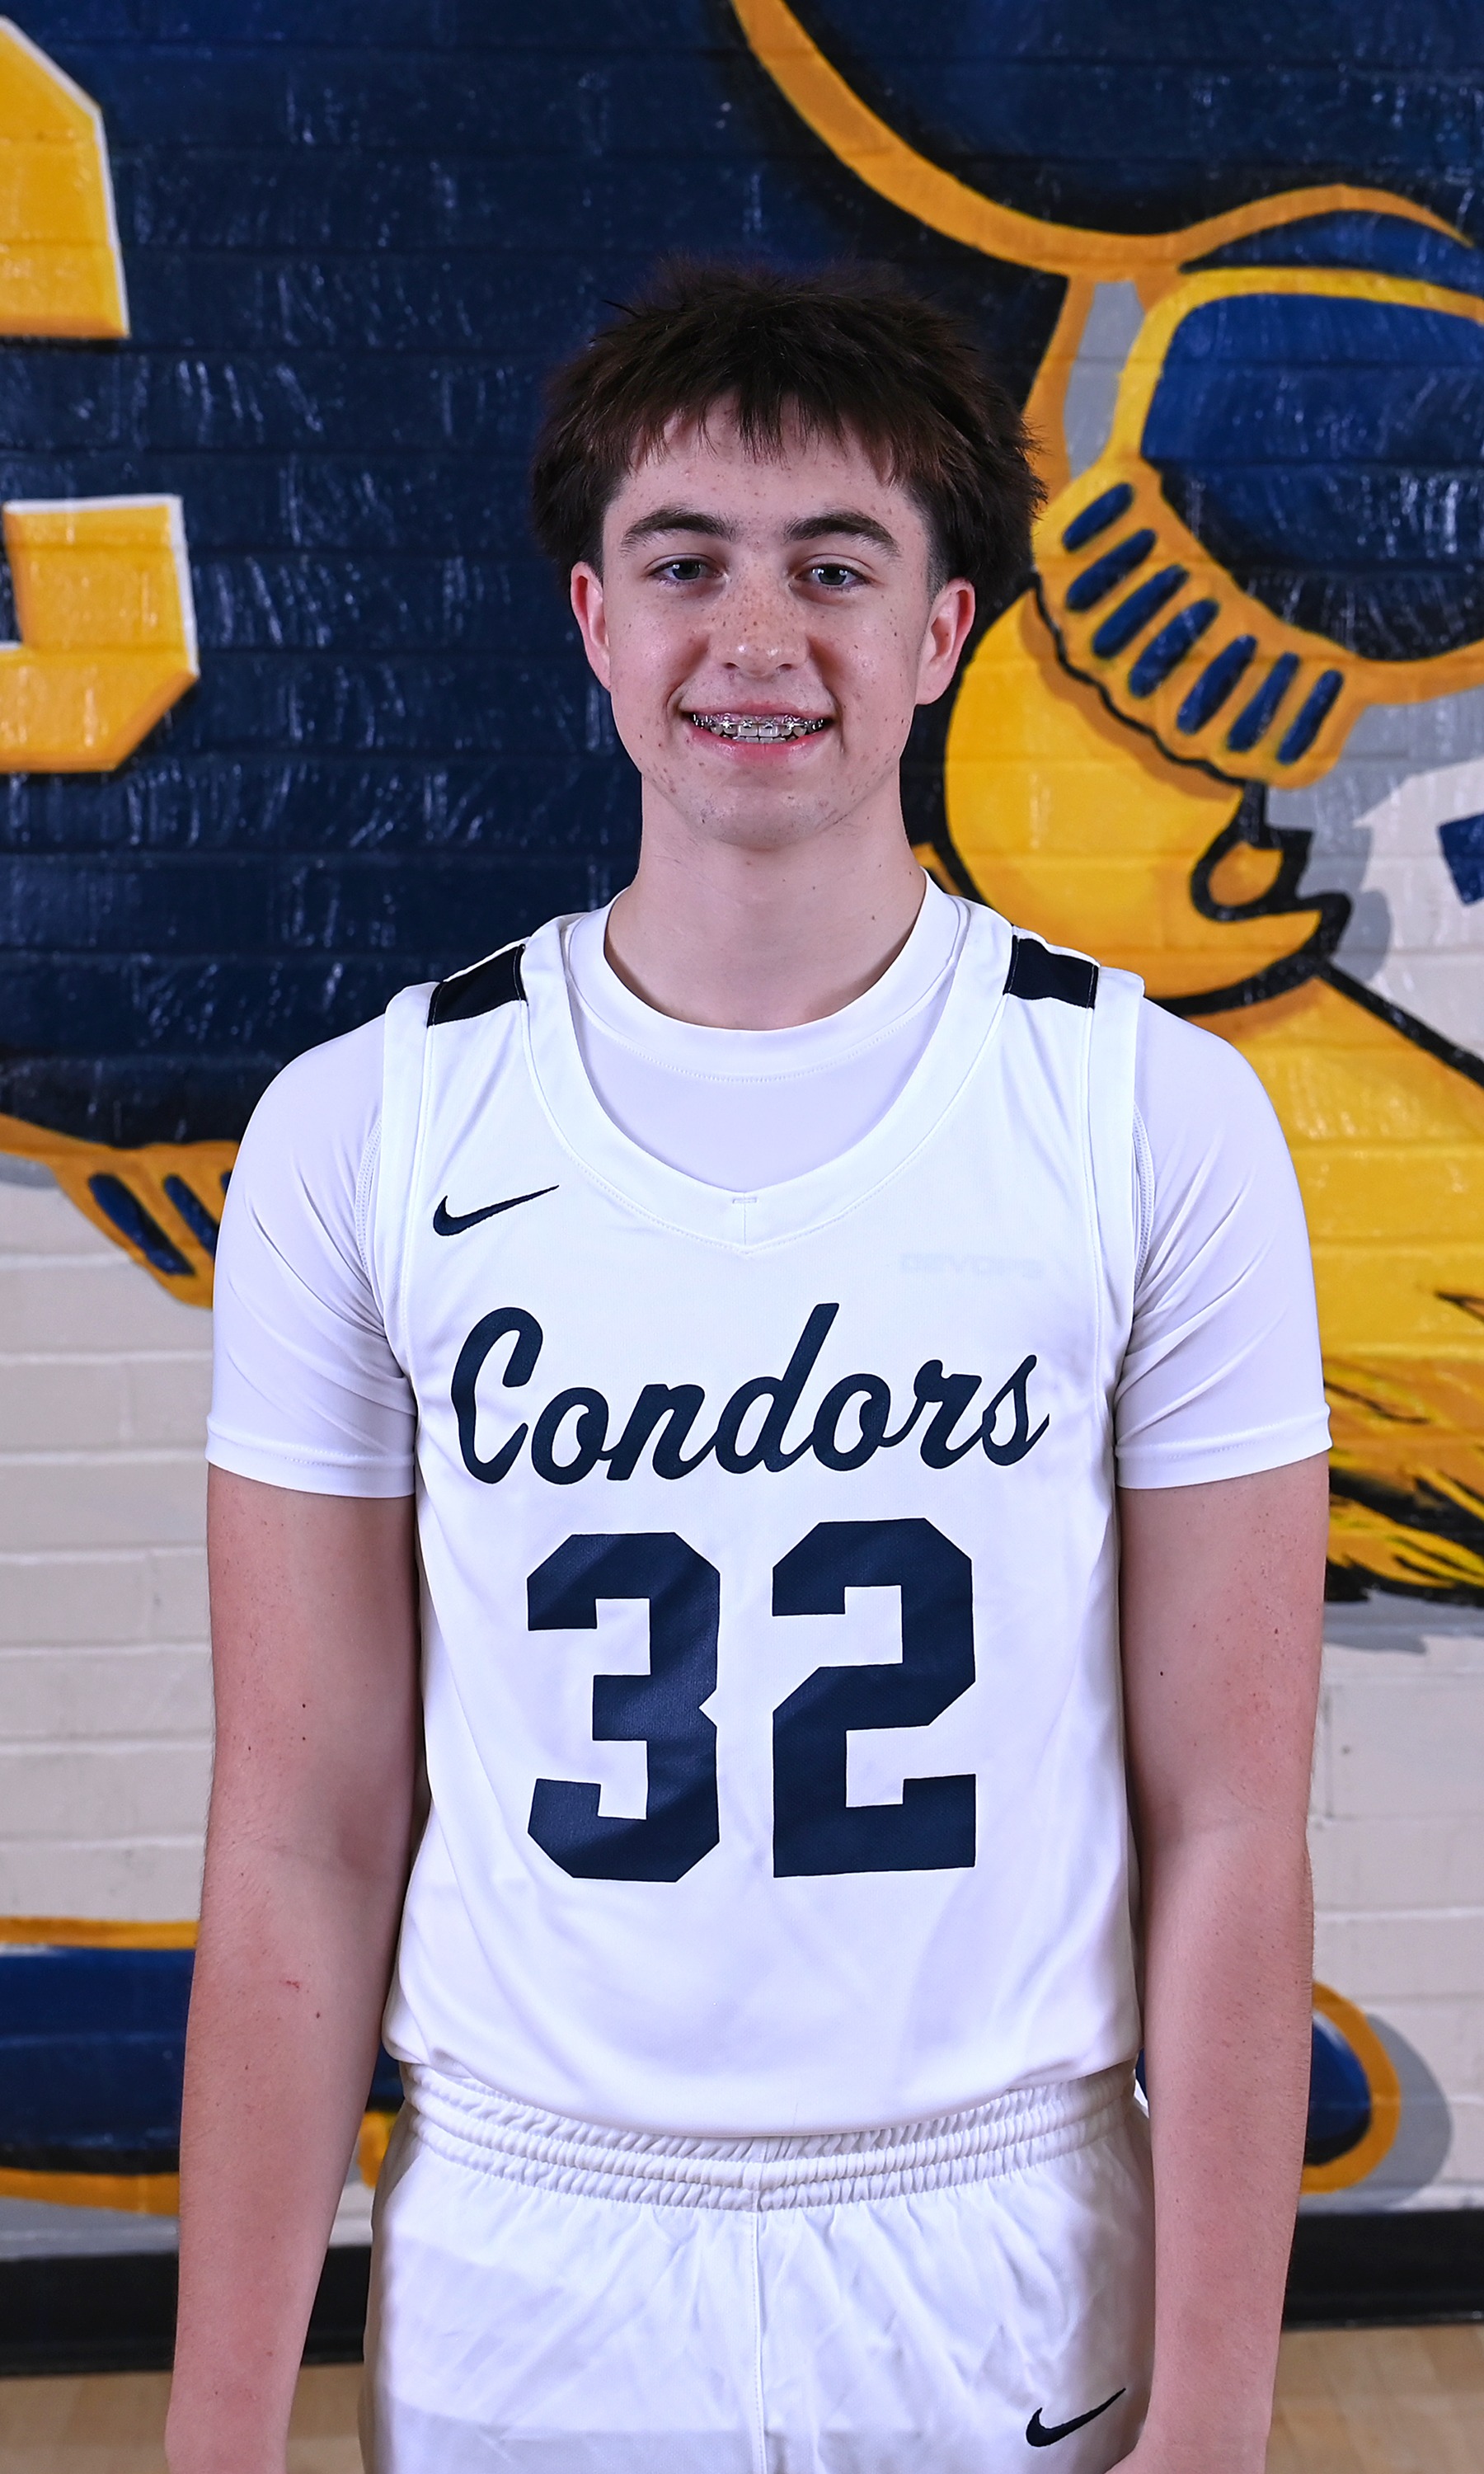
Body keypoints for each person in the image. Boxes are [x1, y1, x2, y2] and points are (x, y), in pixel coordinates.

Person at [166, 262, 1329, 2474]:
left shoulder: (1150, 1118)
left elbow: (1232, 1828)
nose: (759, 638)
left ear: (945, 631)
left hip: (1000, 2218)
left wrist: (1220, 2418)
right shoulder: (368, 1130)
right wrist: (216, 2429)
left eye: (838, 566)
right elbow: (304, 1838)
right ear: (594, 619)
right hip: (533, 2234)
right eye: (687, 563)